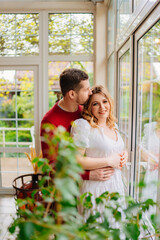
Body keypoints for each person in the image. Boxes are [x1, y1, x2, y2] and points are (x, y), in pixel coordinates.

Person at [40, 68, 121, 181]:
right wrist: (88, 175)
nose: (90, 92)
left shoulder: (87, 111)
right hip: (65, 189)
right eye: (86, 89)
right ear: (72, 94)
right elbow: (50, 168)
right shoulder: (49, 122)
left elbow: (105, 135)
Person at [71, 85, 128, 220]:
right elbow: (76, 160)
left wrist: (124, 155)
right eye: (96, 104)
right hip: (95, 188)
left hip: (116, 185)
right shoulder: (83, 126)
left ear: (110, 102)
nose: (102, 107)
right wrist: (108, 161)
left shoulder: (113, 125)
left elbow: (114, 149)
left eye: (105, 101)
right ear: (89, 107)